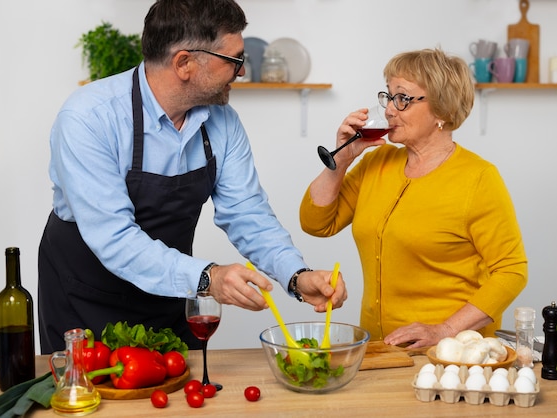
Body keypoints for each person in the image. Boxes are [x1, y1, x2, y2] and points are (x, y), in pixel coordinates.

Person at [38, 0, 346, 354]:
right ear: (184, 63)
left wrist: (297, 276)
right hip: (84, 298)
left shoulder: (223, 123)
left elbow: (248, 214)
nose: (242, 72)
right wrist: (208, 278)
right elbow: (113, 237)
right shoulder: (88, 118)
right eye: (234, 60)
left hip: (170, 295)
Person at [299, 48, 527, 349]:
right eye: (389, 96)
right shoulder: (376, 163)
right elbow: (316, 223)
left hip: (451, 355)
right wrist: (342, 158)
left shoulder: (479, 178)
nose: (390, 110)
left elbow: (511, 272)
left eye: (403, 99)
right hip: (379, 351)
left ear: (442, 111)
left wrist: (444, 330)